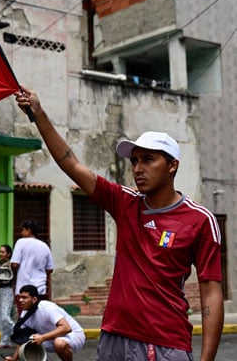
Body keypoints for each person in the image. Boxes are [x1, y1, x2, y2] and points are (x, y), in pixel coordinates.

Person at [15, 87, 223, 360]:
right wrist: (39, 114)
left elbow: (211, 295)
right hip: (113, 339)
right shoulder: (126, 203)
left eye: (148, 159)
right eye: (135, 160)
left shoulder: (199, 220)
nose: (137, 168)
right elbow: (72, 164)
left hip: (162, 343)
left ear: (172, 165)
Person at [4, 285, 85, 361]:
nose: (20, 300)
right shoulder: (25, 314)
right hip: (51, 338)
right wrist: (14, 359)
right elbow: (23, 338)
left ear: (34, 299)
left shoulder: (46, 307)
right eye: (20, 297)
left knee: (59, 343)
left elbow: (66, 328)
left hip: (73, 335)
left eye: (24, 298)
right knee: (28, 345)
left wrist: (43, 338)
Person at [10, 219, 53, 314]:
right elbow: (49, 269)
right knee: (39, 316)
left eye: (23, 230)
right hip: (40, 288)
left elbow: (15, 264)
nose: (21, 233)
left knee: (23, 318)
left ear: (28, 230)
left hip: (23, 288)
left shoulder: (21, 242)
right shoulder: (45, 246)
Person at [0, 244, 15, 349]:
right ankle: (5, 341)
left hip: (7, 290)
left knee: (5, 316)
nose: (1, 254)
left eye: (3, 252)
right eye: (0, 252)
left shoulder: (11, 265)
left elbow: (10, 277)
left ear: (8, 253)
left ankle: (19, 331)